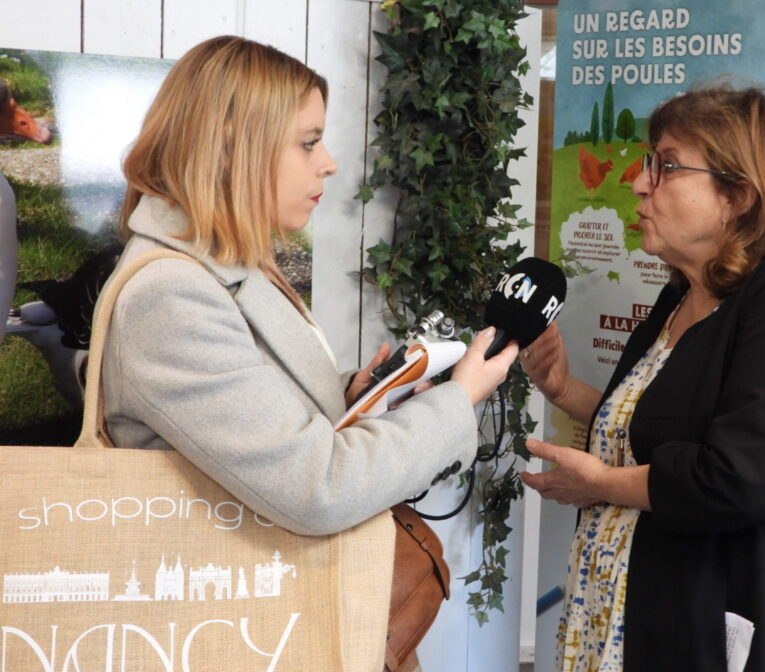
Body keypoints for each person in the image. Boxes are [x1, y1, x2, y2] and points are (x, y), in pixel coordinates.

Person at [520, 84, 765, 671]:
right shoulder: (685, 294)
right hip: (635, 616)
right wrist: (565, 390)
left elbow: (739, 476)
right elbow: (667, 430)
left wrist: (601, 484)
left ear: (739, 194)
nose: (640, 183)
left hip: (749, 635)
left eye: (665, 165)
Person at [101, 35, 518, 535]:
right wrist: (457, 400)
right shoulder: (172, 296)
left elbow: (249, 417)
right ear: (234, 146)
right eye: (308, 142)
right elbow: (320, 489)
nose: (329, 163)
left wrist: (351, 395)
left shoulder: (223, 264)